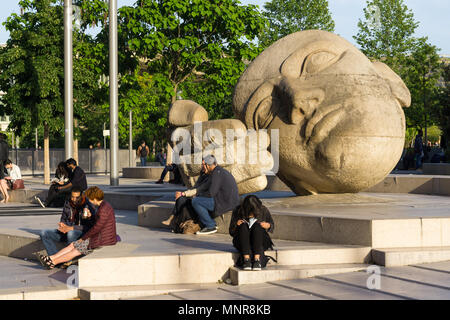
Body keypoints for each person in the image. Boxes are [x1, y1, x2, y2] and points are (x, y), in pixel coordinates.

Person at [36, 186, 118, 269]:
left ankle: (53, 262)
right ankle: (51, 258)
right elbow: (97, 224)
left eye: (89, 198)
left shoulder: (103, 209)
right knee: (72, 245)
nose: (88, 200)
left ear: (94, 198)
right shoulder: (103, 206)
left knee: (75, 250)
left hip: (101, 239)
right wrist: (63, 225)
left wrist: (82, 238)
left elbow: (96, 228)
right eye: (72, 197)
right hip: (97, 237)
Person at [186, 155, 240, 235]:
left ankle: (210, 225)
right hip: (226, 200)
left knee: (196, 201)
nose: (202, 167)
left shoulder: (216, 173)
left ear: (207, 165)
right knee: (197, 199)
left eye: (203, 165)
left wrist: (198, 196)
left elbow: (211, 193)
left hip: (225, 203)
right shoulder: (219, 171)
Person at [39, 186, 96, 259]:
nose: (74, 199)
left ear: (82, 196)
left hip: (80, 234)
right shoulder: (68, 203)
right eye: (72, 197)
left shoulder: (88, 205)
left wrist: (71, 228)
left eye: (77, 197)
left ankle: (67, 259)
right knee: (44, 233)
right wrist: (62, 225)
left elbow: (90, 227)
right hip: (66, 231)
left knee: (71, 233)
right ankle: (55, 258)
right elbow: (63, 218)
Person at [162, 160, 211, 233]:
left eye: (204, 165)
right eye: (202, 164)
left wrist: (184, 194)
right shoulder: (203, 175)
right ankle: (173, 218)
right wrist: (183, 193)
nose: (202, 166)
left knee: (182, 201)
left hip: (203, 201)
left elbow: (200, 190)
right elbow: (195, 187)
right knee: (180, 199)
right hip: (197, 197)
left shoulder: (212, 177)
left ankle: (173, 219)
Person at [229, 195, 274, 271]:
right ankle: (246, 259)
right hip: (243, 241)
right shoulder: (238, 210)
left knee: (257, 226)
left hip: (260, 240)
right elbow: (231, 232)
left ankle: (257, 259)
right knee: (243, 226)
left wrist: (268, 225)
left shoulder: (263, 210)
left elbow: (271, 224)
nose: (251, 215)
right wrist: (236, 225)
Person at [0, 133, 9, 203]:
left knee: (1, 180)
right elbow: (7, 154)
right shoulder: (5, 144)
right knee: (1, 180)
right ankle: (5, 196)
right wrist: (5, 162)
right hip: (2, 163)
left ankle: (6, 195)